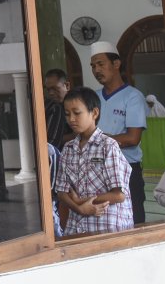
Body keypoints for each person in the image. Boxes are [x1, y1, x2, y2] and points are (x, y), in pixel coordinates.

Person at [54, 86, 133, 236]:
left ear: (94, 113)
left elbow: (118, 195)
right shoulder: (68, 149)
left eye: (77, 113)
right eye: (67, 114)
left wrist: (81, 200)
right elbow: (61, 192)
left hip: (107, 225)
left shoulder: (108, 146)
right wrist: (79, 208)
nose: (71, 119)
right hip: (76, 225)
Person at [90, 40, 147, 224]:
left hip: (127, 171)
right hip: (98, 170)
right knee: (105, 220)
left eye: (100, 64)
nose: (96, 70)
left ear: (116, 64)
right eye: (93, 66)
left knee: (133, 220)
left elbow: (132, 138)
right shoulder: (94, 98)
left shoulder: (132, 96)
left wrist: (98, 139)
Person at [43, 68, 72, 150]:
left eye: (55, 88)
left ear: (67, 86)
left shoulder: (77, 104)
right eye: (48, 89)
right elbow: (51, 142)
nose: (51, 93)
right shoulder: (54, 107)